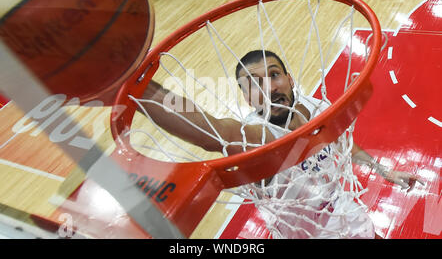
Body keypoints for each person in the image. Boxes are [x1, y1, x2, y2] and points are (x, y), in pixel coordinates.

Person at [138, 49, 423, 238]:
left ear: (289, 79)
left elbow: (338, 142)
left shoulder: (314, 107)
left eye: (274, 75)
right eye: (253, 84)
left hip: (351, 220)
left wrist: (385, 171)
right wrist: (139, 88)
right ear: (247, 97)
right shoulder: (253, 137)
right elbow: (212, 132)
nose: (269, 88)